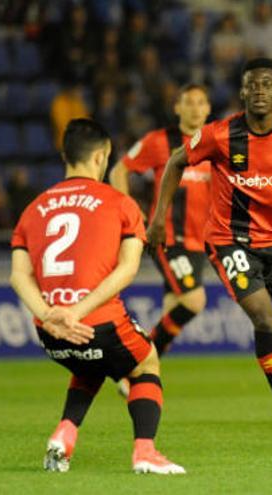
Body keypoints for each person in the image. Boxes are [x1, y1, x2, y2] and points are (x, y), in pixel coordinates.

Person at [147, 58, 272, 442]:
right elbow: (176, 161)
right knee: (265, 318)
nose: (259, 90)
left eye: (266, 84)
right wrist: (159, 218)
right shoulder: (219, 134)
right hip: (230, 241)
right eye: (252, 85)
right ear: (242, 93)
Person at [9, 119, 184, 474]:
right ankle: (145, 452)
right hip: (94, 321)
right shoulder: (120, 203)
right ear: (102, 156)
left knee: (91, 364)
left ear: (64, 156)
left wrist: (50, 314)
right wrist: (76, 311)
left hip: (49, 331)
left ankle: (63, 436)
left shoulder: (34, 208)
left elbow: (17, 276)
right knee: (146, 361)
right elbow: (128, 269)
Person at [109, 84, 212, 367]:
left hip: (198, 242)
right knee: (195, 301)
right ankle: (134, 363)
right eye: (188, 102)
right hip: (167, 238)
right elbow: (119, 170)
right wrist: (129, 210)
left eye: (200, 102)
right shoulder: (160, 142)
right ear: (177, 107)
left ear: (208, 109)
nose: (195, 108)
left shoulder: (216, 144)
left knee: (172, 309)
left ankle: (142, 372)